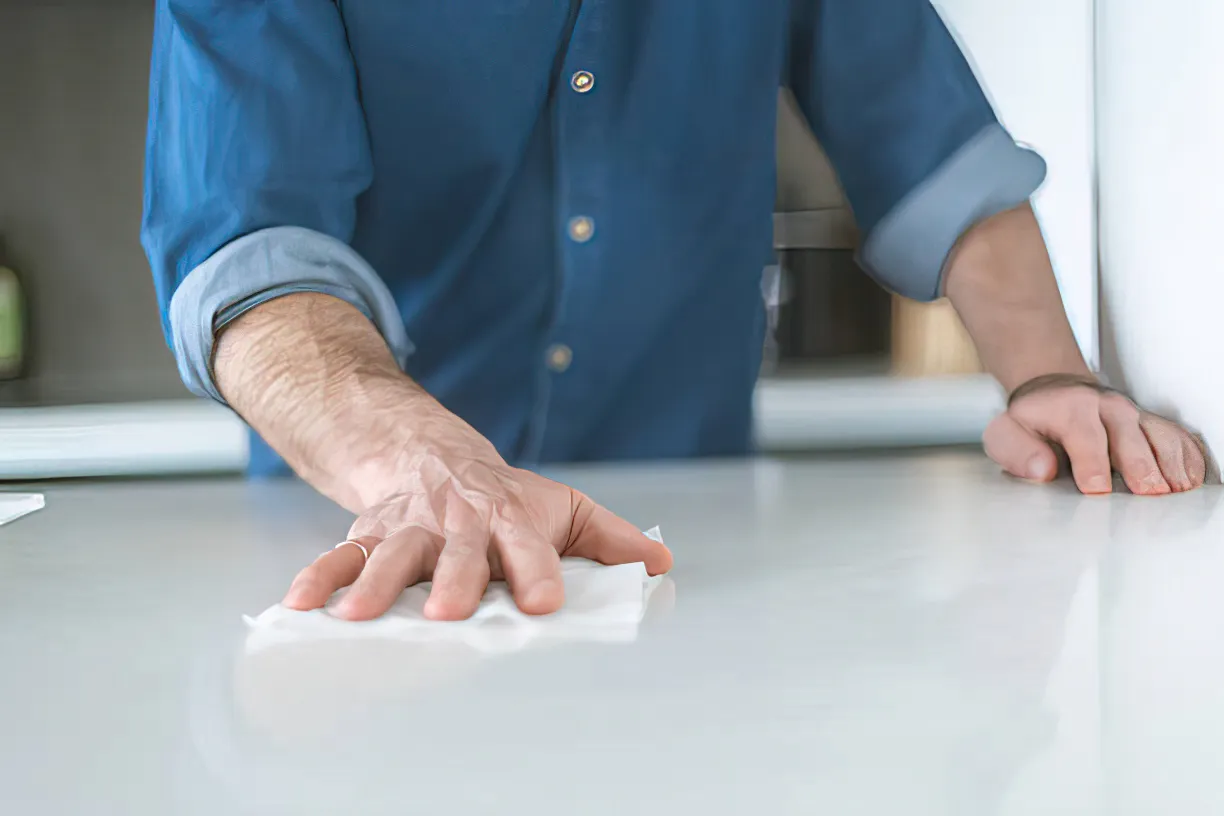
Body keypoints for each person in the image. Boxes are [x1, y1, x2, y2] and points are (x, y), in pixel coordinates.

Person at [141, 1, 1206, 623]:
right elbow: (250, 254)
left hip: (690, 561)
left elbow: (939, 158)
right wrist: (422, 462)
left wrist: (1052, 378)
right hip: (370, 533)